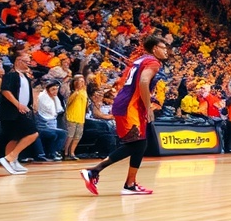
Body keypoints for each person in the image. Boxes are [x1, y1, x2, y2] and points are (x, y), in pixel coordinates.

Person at [79, 36, 170, 196]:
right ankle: (94, 171)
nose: (166, 51)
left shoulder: (139, 60)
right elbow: (143, 82)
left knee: (139, 144)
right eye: (163, 48)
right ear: (155, 48)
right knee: (137, 144)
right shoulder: (153, 62)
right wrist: (148, 107)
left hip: (124, 103)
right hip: (131, 106)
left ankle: (130, 184)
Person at [0, 44, 40, 175]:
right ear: (18, 61)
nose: (29, 63)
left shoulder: (25, 76)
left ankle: (12, 162)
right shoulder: (11, 75)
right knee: (33, 133)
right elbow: (5, 91)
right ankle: (9, 158)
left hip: (22, 111)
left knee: (15, 138)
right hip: (12, 111)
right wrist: (18, 104)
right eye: (26, 61)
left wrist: (31, 104)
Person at [62, 74, 88, 160]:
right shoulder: (71, 92)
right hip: (71, 116)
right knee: (70, 135)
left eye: (83, 81)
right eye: (80, 81)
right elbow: (68, 102)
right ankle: (65, 152)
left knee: (78, 136)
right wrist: (76, 91)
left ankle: (72, 152)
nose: (82, 83)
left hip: (80, 117)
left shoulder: (84, 91)